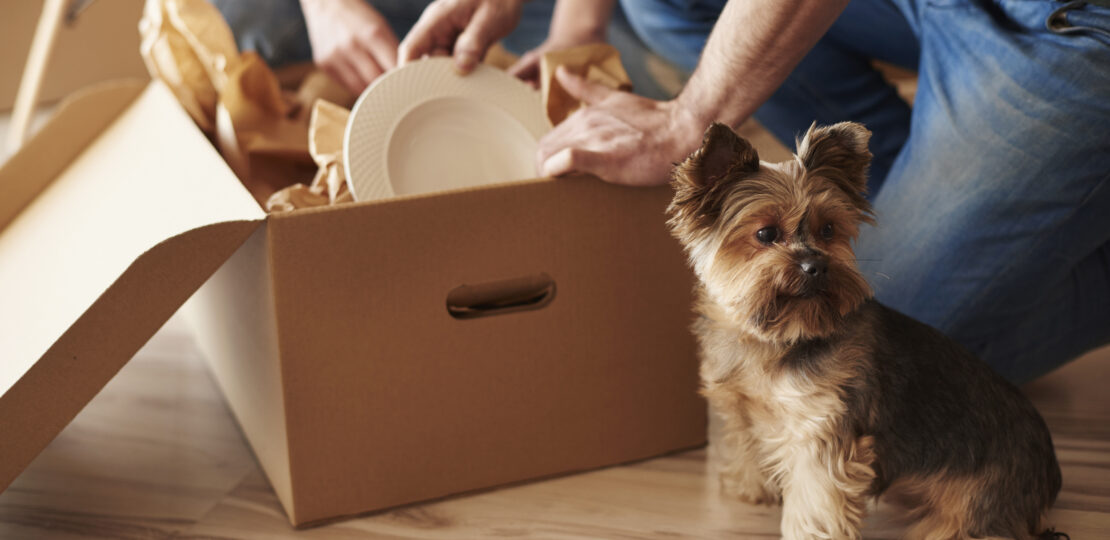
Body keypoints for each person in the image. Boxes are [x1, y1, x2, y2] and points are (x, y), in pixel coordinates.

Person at [222, 0, 1110, 384]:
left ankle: (1055, 196)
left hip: (1072, 26)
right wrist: (572, 33)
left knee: (842, 345)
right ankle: (1003, 193)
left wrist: (687, 121)